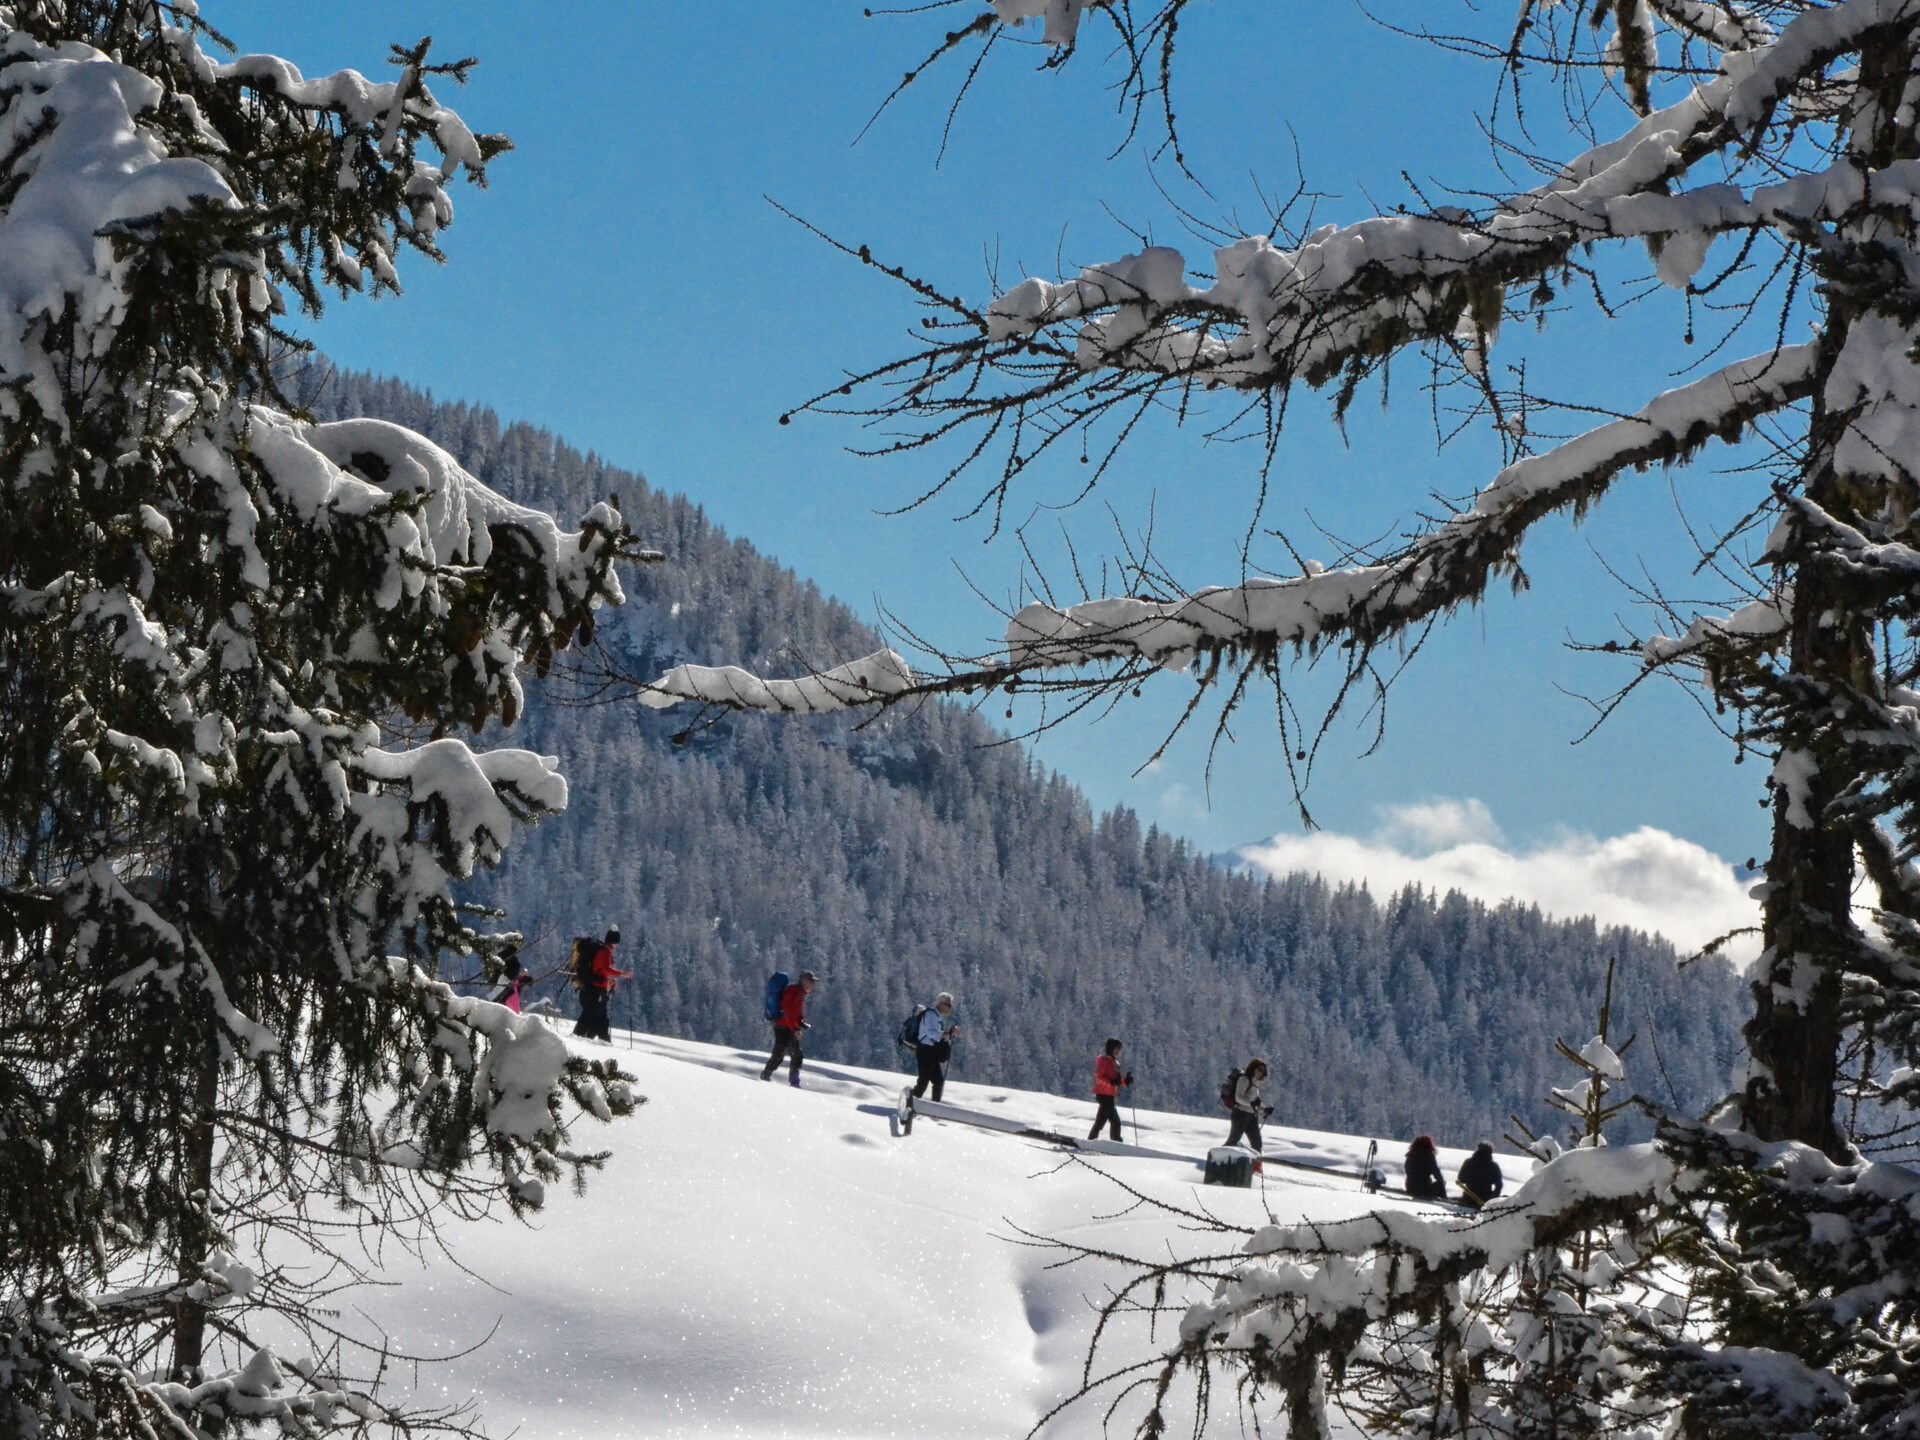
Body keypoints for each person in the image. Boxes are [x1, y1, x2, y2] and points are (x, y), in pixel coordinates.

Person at [760, 970, 817, 1086]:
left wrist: (801, 1022)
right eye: (811, 981)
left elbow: (795, 1012)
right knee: (786, 1053)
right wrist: (795, 1028)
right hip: (783, 1026)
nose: (813, 984)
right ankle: (769, 1076)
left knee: (789, 1053)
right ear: (804, 980)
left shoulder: (799, 992)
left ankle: (785, 1079)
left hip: (786, 1025)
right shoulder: (794, 991)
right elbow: (788, 1012)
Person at [572, 927, 629, 1042]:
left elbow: (600, 971)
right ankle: (580, 1039)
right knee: (592, 1017)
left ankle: (598, 1040)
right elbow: (604, 969)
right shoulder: (605, 952)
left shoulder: (603, 951)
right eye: (616, 942)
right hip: (595, 991)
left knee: (596, 1018)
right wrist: (621, 974)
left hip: (593, 990)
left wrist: (610, 981)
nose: (616, 946)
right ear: (614, 941)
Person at [911, 992, 958, 1102]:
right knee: (924, 1082)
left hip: (930, 1052)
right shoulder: (931, 1015)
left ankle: (930, 1105)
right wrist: (947, 1034)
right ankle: (910, 1102)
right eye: (948, 1005)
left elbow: (935, 1034)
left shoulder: (937, 1016)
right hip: (925, 1051)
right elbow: (931, 1033)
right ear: (941, 1003)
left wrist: (947, 1035)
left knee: (937, 1081)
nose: (950, 1008)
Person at [1088, 1037, 1133, 1141]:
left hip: (1108, 1096)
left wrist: (1125, 1081)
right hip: (1104, 1096)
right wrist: (1111, 1083)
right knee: (1115, 1121)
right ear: (1111, 1049)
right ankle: (1116, 1141)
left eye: (1119, 1049)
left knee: (1100, 1122)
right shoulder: (1105, 1060)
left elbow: (1115, 1081)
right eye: (1116, 1049)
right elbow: (1099, 1077)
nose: (1118, 1051)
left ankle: (1091, 1140)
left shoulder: (1114, 1062)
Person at [1225, 1058, 1270, 1153]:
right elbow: (1238, 1097)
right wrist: (1251, 1103)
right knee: (1233, 1141)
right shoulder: (1244, 1080)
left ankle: (1255, 1162)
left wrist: (1265, 1109)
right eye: (1259, 1070)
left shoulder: (1256, 1082)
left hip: (1252, 1116)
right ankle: (1220, 1158)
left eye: (1263, 1071)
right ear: (1253, 1068)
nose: (1261, 1073)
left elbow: (1255, 1102)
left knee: (1257, 1144)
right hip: (1240, 1114)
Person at [1457, 1141, 1504, 1209]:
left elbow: (1461, 1179)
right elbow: (1499, 1185)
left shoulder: (1468, 1162)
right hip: (1485, 1200)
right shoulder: (1493, 1166)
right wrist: (1494, 1199)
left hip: (1468, 1199)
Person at [1404, 1135, 1447, 1201]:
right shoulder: (1429, 1156)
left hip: (1410, 1187)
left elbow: (1407, 1170)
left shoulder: (1410, 1155)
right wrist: (1442, 1182)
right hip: (1423, 1190)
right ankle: (1445, 1200)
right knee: (1440, 1184)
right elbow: (1436, 1172)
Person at [491, 948, 527, 1014]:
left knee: (499, 997)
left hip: (505, 981)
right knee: (501, 997)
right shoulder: (515, 963)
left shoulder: (503, 958)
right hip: (507, 981)